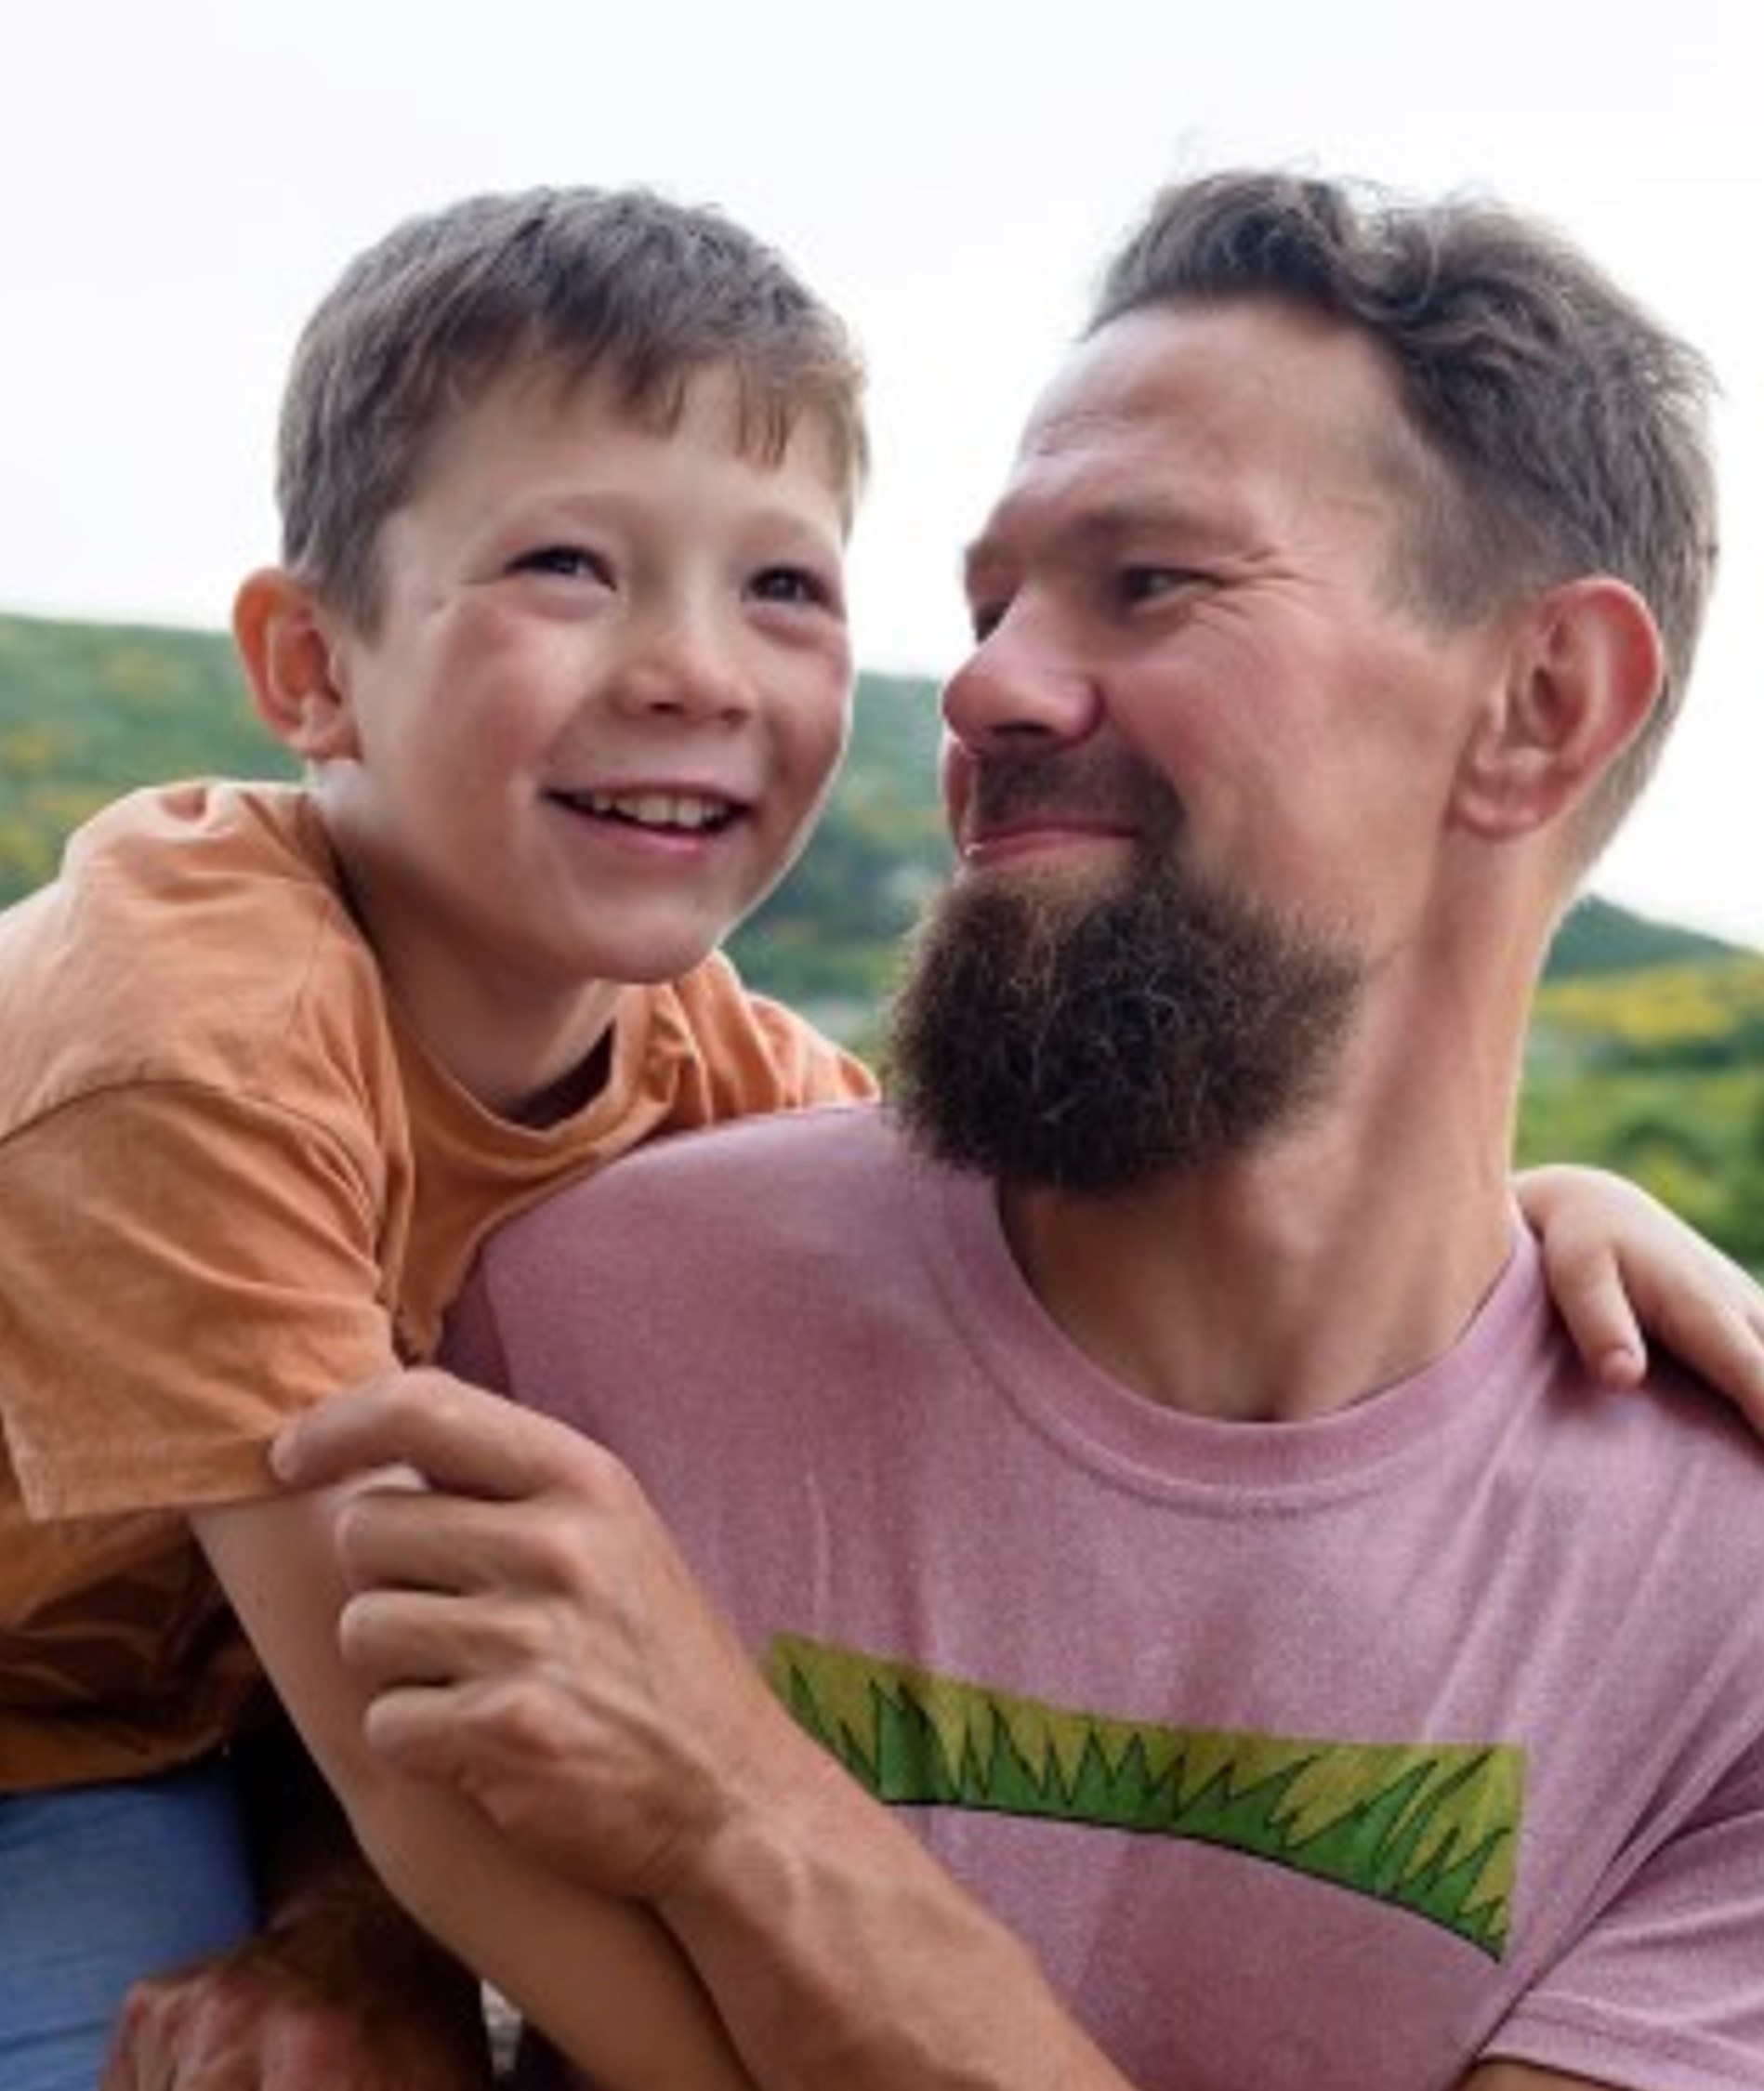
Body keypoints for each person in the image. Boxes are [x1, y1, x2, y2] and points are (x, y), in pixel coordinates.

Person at [266, 166, 1764, 2091]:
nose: (977, 683)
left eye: (1151, 584)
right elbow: (288, 1724)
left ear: (1541, 702)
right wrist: (344, 1928)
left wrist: (740, 1810)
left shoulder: (1721, 1618)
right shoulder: (580, 1313)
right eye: (989, 601)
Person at [0, 183, 876, 2091]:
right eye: (569, 563)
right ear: (312, 668)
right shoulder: (191, 1030)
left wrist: (1534, 1227)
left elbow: (1044, 1243)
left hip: (167, 1719)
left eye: (783, 585)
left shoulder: (706, 1061)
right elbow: (426, 1781)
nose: (696, 670)